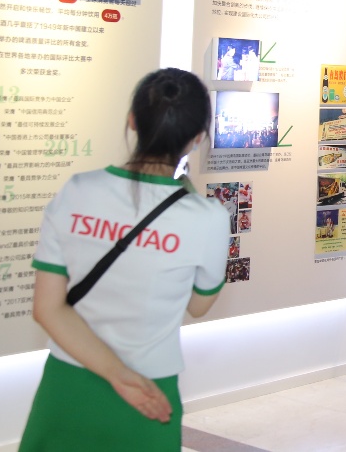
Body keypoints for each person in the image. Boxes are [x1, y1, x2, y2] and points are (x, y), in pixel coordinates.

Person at [20, 68, 230, 451]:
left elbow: (47, 309)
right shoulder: (209, 218)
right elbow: (199, 306)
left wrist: (115, 374)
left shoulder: (77, 191)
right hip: (149, 393)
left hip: (68, 385)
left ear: (132, 120)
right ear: (197, 138)